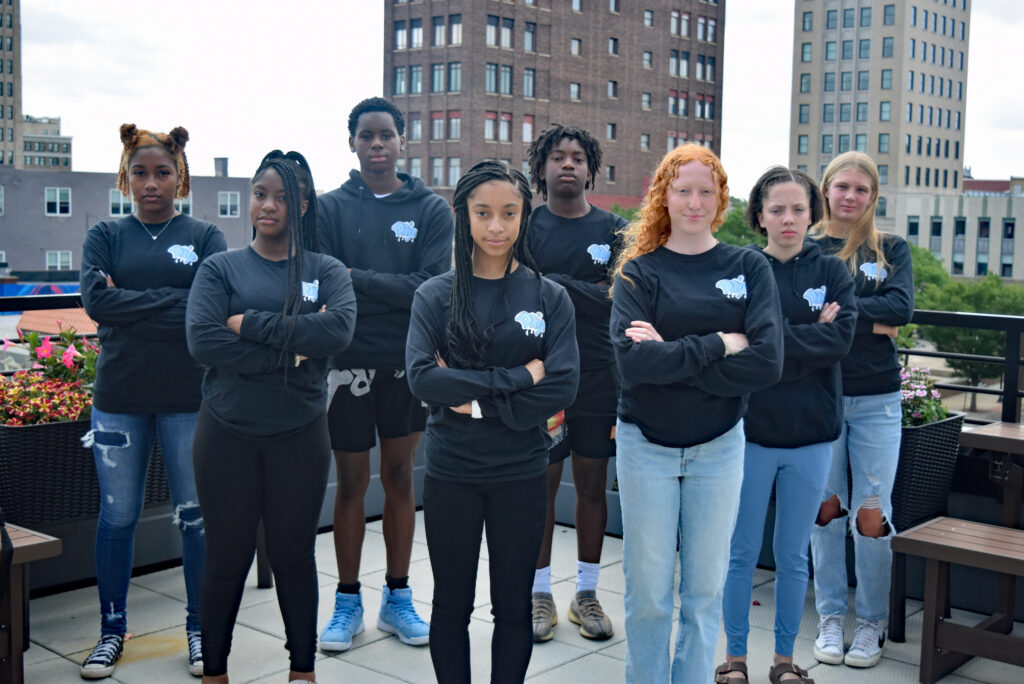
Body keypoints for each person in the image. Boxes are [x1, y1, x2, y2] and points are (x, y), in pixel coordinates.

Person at [610, 144, 783, 684]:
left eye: (705, 191)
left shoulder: (747, 265)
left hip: (719, 446)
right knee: (649, 594)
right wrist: (718, 343)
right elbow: (633, 364)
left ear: (721, 198)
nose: (694, 201)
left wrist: (674, 352)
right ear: (664, 195)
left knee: (704, 593)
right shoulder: (639, 272)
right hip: (646, 447)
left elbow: (769, 362)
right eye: (682, 190)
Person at [186, 151, 357, 683]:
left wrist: (248, 323)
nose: (270, 205)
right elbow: (204, 341)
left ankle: (301, 671)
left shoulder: (326, 271)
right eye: (261, 193)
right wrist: (293, 350)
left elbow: (338, 332)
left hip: (300, 434)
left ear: (302, 204)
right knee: (226, 557)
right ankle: (215, 671)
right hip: (226, 433)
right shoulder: (221, 267)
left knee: (293, 556)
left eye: (284, 197)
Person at [406, 161, 579, 683]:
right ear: (464, 216)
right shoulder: (435, 295)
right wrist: (519, 379)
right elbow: (422, 380)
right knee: (450, 605)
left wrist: (474, 396)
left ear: (525, 215)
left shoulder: (549, 297)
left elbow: (563, 385)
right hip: (451, 471)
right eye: (483, 214)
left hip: (521, 473)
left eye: (509, 213)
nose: (497, 227)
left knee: (512, 607)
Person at [79, 124, 226, 680]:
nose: (151, 183)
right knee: (117, 518)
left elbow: (205, 310)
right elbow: (97, 303)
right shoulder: (105, 235)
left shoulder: (207, 236)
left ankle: (199, 629)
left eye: (162, 172)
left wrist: (131, 303)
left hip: (191, 398)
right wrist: (170, 302)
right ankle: (111, 632)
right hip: (119, 399)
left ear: (179, 176)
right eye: (139, 172)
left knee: (195, 518)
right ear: (125, 175)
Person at [317, 96, 454, 651]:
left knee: (400, 479)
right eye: (366, 135)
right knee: (350, 484)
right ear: (351, 142)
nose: (377, 144)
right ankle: (346, 602)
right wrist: (365, 285)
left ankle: (398, 598)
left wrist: (355, 277)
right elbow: (324, 286)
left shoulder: (430, 209)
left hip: (406, 363)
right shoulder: (328, 209)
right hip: (345, 364)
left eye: (386, 135)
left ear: (403, 141)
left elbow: (428, 288)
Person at [717, 167, 857, 684]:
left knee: (794, 555)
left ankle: (783, 661)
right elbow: (734, 340)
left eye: (799, 208)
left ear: (812, 213)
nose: (789, 218)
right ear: (759, 216)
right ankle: (733, 657)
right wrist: (802, 339)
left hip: (813, 432)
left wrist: (772, 342)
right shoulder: (741, 269)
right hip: (750, 430)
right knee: (742, 552)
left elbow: (838, 342)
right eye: (777, 209)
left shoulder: (834, 271)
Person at [808, 151, 914, 669]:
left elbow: (901, 309)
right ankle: (831, 616)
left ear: (873, 197)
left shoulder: (891, 248)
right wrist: (868, 318)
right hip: (818, 394)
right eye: (842, 187)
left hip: (876, 399)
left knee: (872, 514)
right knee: (825, 510)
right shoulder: (804, 247)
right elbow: (796, 311)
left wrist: (839, 311)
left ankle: (871, 622)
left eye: (862, 190)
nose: (851, 197)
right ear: (826, 189)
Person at [524, 124, 627, 643]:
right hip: (542, 380)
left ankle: (586, 593)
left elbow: (620, 298)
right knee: (540, 488)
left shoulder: (616, 230)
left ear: (592, 169)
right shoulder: (526, 226)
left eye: (578, 157)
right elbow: (519, 296)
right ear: (541, 168)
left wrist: (554, 286)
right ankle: (539, 594)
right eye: (557, 156)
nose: (568, 164)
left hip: (599, 378)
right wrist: (583, 289)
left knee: (590, 485)